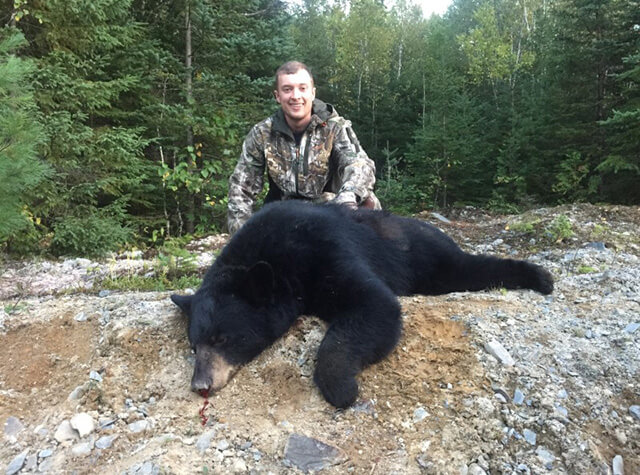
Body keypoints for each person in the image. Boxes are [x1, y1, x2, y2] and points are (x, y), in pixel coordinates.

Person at [227, 61, 380, 234]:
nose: (295, 96)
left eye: (302, 88)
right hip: (285, 214)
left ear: (313, 93)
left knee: (369, 202)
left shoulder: (334, 127)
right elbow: (241, 187)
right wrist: (243, 234)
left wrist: (348, 197)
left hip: (333, 210)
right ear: (277, 96)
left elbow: (359, 164)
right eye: (287, 89)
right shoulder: (262, 133)